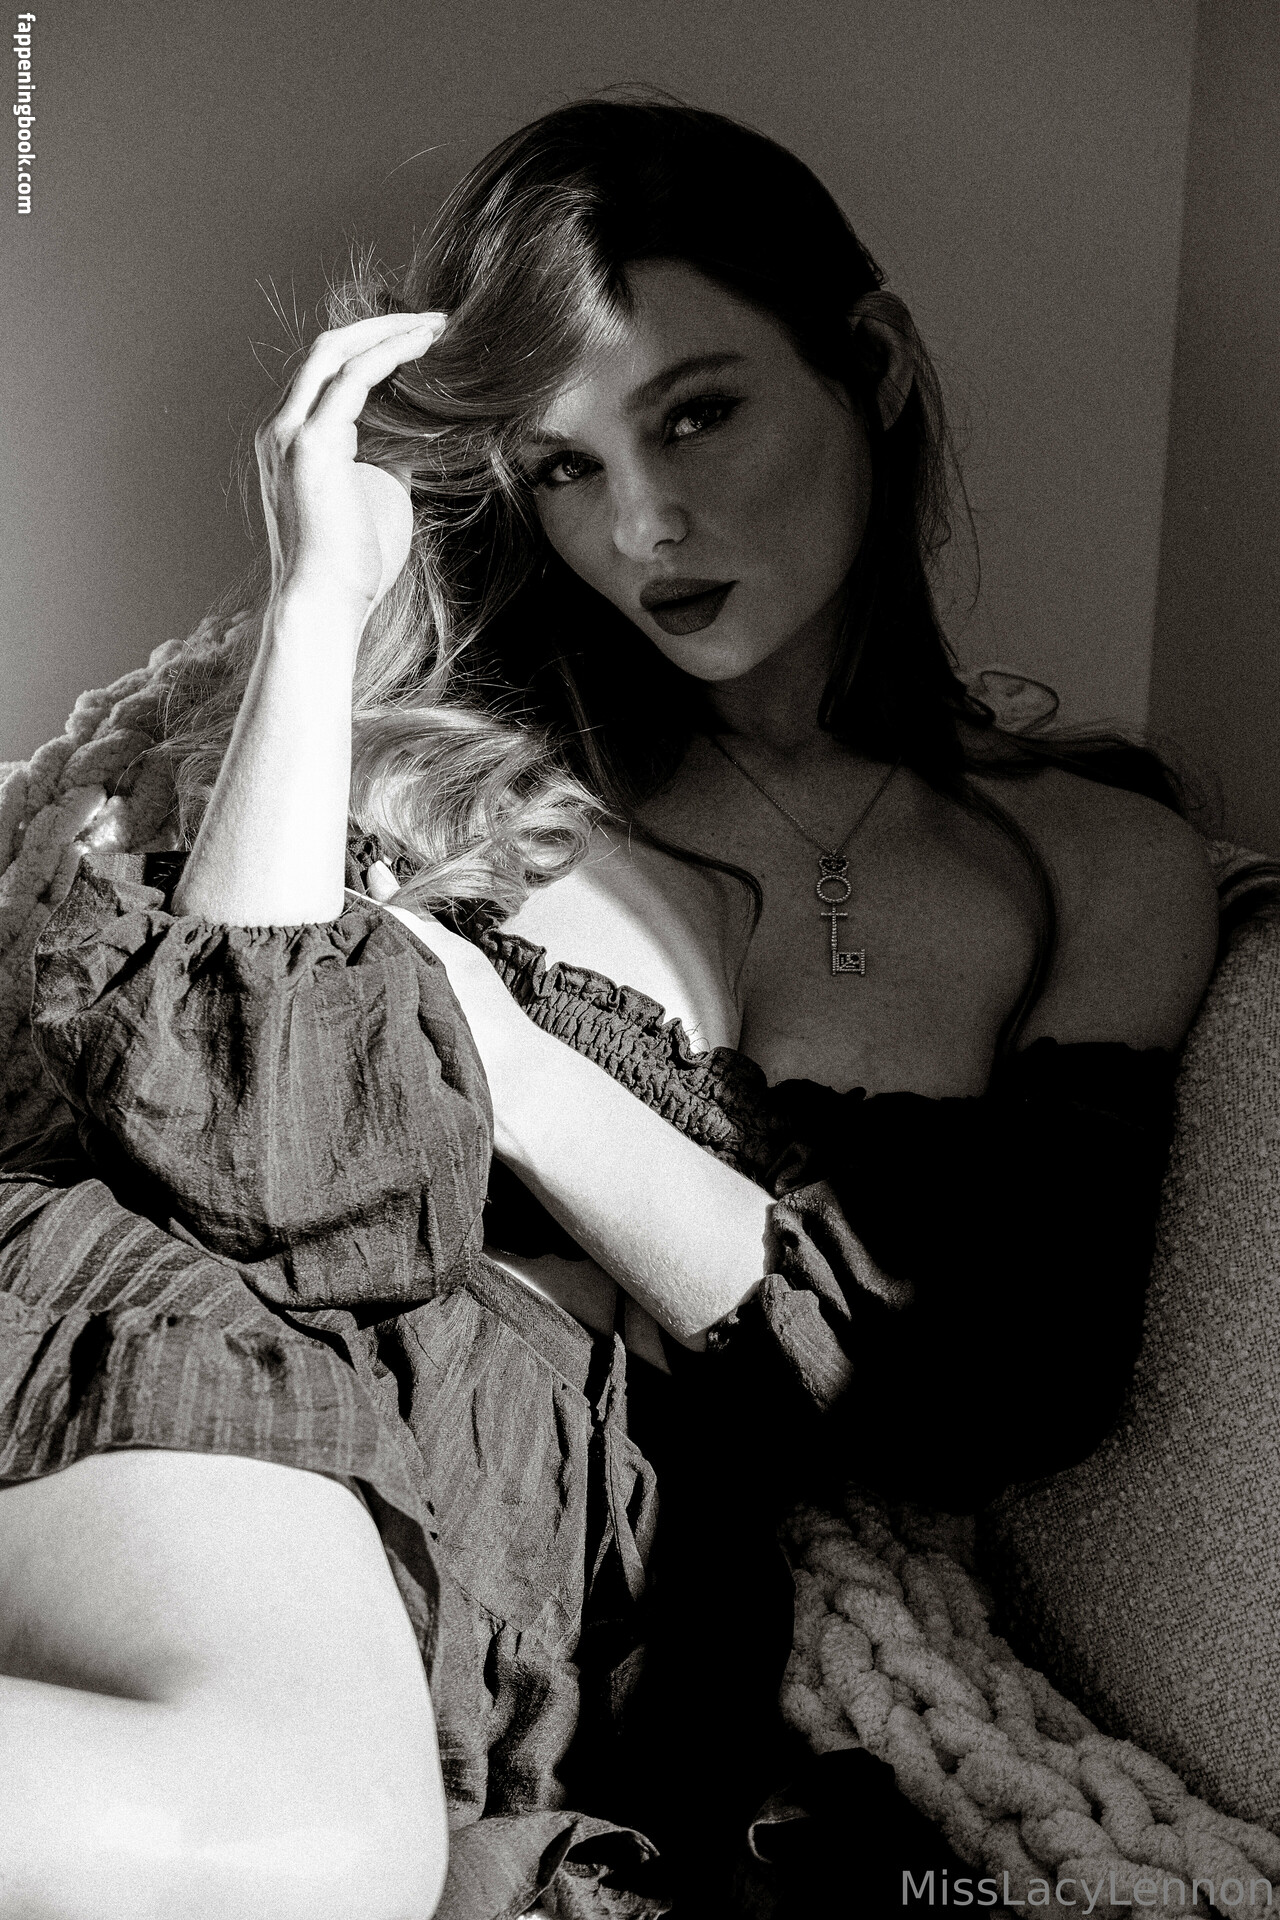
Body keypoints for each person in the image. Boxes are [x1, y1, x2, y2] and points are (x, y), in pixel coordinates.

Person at [0, 97, 1218, 1917]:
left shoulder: (1097, 862)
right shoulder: (451, 767)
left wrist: (511, 1072)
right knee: (296, 1849)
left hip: (525, 1561)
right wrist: (323, 601)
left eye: (699, 413)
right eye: (562, 468)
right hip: (221, 1359)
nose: (645, 521)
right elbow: (246, 1153)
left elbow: (989, 1391)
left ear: (874, 370)